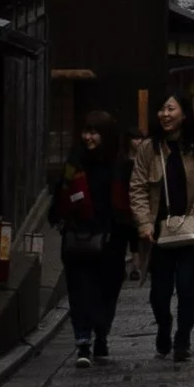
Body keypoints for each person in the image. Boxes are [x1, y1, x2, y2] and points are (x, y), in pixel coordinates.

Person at [130, 91, 194, 361]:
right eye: (162, 109)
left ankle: (183, 339)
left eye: (171, 108)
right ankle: (164, 325)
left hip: (190, 227)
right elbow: (138, 187)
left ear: (184, 114)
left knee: (187, 286)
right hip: (158, 232)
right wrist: (143, 223)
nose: (165, 114)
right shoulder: (148, 148)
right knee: (159, 293)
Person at [52, 110, 134, 364]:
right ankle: (83, 341)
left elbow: (127, 205)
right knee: (80, 290)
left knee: (107, 290)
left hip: (111, 240)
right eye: (86, 131)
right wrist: (58, 216)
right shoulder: (74, 162)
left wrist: (134, 240)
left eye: (95, 132)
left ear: (106, 135)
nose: (88, 137)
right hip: (78, 237)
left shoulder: (120, 165)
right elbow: (61, 193)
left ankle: (101, 334)